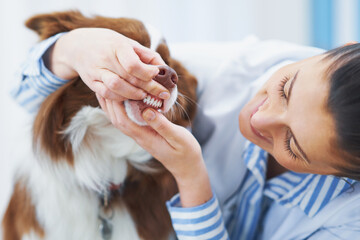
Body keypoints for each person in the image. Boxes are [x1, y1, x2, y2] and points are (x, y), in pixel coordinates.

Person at [13, 27, 360, 240]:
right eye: (285, 89)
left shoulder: (347, 224)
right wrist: (72, 49)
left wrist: (192, 179)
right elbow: (24, 98)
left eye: (292, 144)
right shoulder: (231, 70)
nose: (260, 118)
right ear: (333, 49)